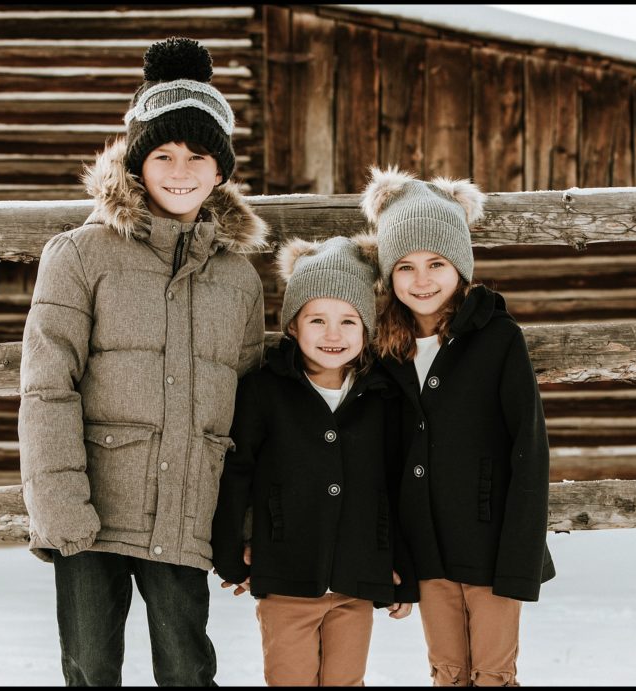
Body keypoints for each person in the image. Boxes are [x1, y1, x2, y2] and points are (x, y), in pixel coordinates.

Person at [18, 37, 267, 686]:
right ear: (137, 162)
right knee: (92, 667)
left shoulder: (238, 278)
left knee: (188, 669)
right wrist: (61, 509)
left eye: (197, 155)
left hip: (186, 512)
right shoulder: (81, 257)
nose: (179, 169)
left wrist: (242, 524)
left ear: (220, 171)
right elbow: (48, 388)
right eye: (163, 153)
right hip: (91, 514)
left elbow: (251, 408)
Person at [362, 166, 556, 687]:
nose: (421, 280)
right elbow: (383, 462)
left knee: (492, 674)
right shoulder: (387, 354)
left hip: (490, 544)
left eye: (436, 263)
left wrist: (521, 557)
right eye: (404, 266)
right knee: (447, 672)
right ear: (389, 275)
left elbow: (529, 450)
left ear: (461, 267)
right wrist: (392, 557)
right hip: (426, 549)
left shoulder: (497, 339)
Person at [211, 235, 416, 686]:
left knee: (346, 680)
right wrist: (229, 551)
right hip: (287, 577)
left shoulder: (381, 397)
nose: (333, 335)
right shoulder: (265, 391)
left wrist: (402, 567)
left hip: (356, 580)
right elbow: (238, 471)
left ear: (367, 330)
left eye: (348, 321)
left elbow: (395, 486)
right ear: (292, 326)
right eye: (317, 320)